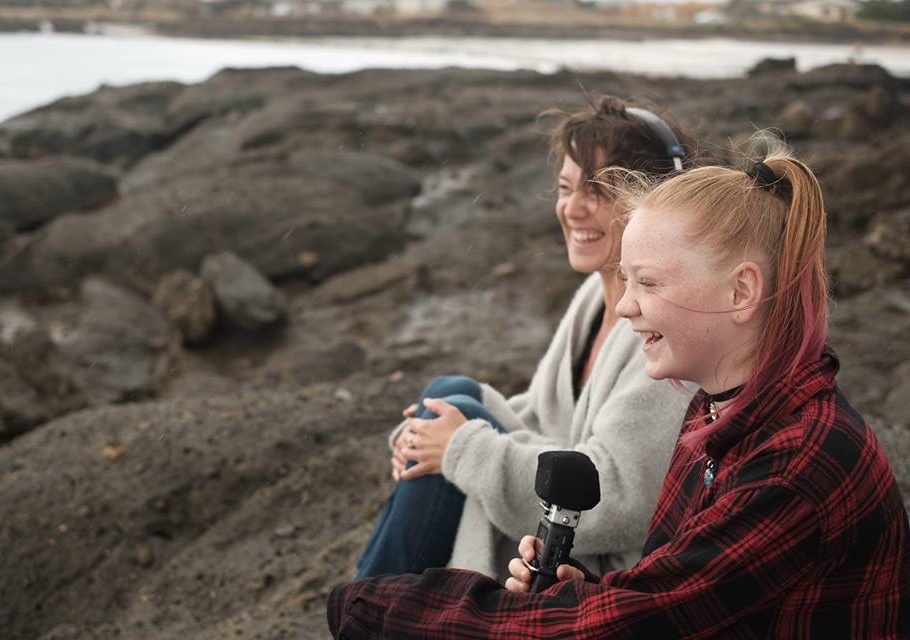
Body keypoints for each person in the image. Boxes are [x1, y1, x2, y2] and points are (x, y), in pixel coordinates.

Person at [329, 154, 910, 638]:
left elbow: (632, 624)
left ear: (741, 291)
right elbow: (668, 586)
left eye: (648, 282)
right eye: (624, 280)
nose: (626, 305)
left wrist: (386, 608)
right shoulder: (715, 412)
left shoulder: (798, 463)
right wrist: (581, 587)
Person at [354, 96, 696, 581]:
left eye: (600, 190)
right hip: (553, 515)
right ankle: (372, 602)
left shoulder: (660, 324)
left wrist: (460, 448)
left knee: (460, 423)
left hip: (591, 560)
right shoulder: (592, 299)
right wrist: (430, 437)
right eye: (565, 188)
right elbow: (540, 415)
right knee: (449, 397)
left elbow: (619, 498)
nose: (574, 208)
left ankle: (369, 606)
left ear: (657, 200)